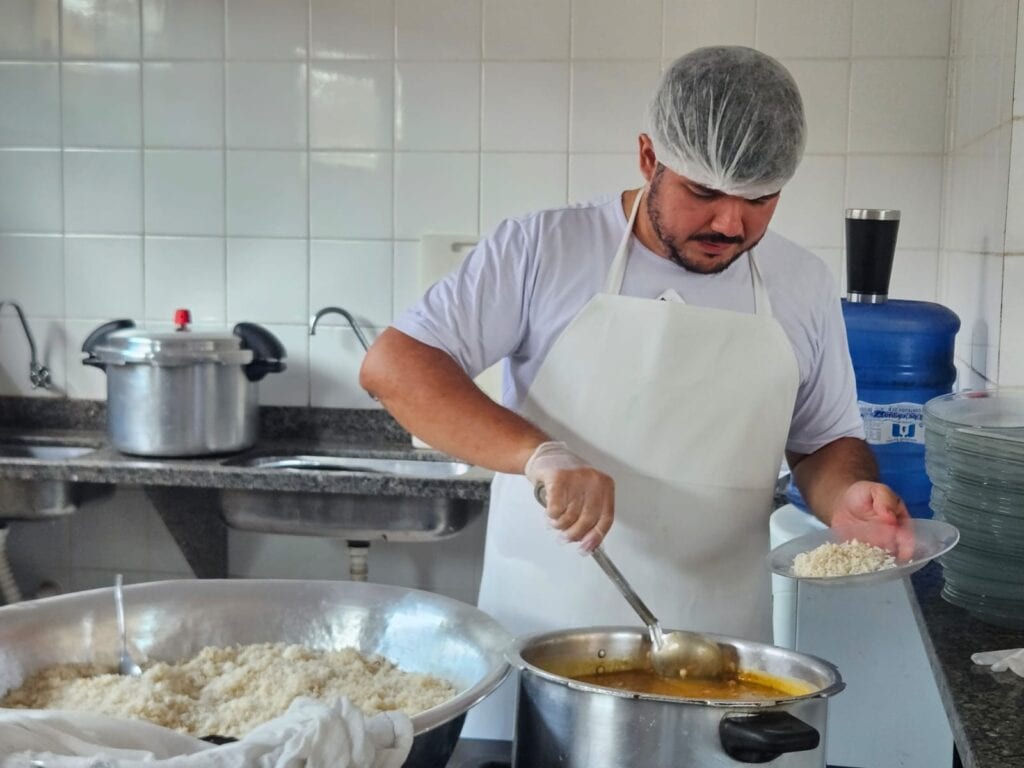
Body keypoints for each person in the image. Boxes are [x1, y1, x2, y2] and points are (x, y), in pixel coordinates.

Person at [359, 45, 911, 739]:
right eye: (704, 193)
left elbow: (825, 441)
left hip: (726, 670)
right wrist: (541, 455)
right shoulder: (545, 247)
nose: (731, 226)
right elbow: (396, 367)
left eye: (759, 199)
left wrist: (847, 497)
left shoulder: (799, 283)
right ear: (650, 158)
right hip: (540, 655)